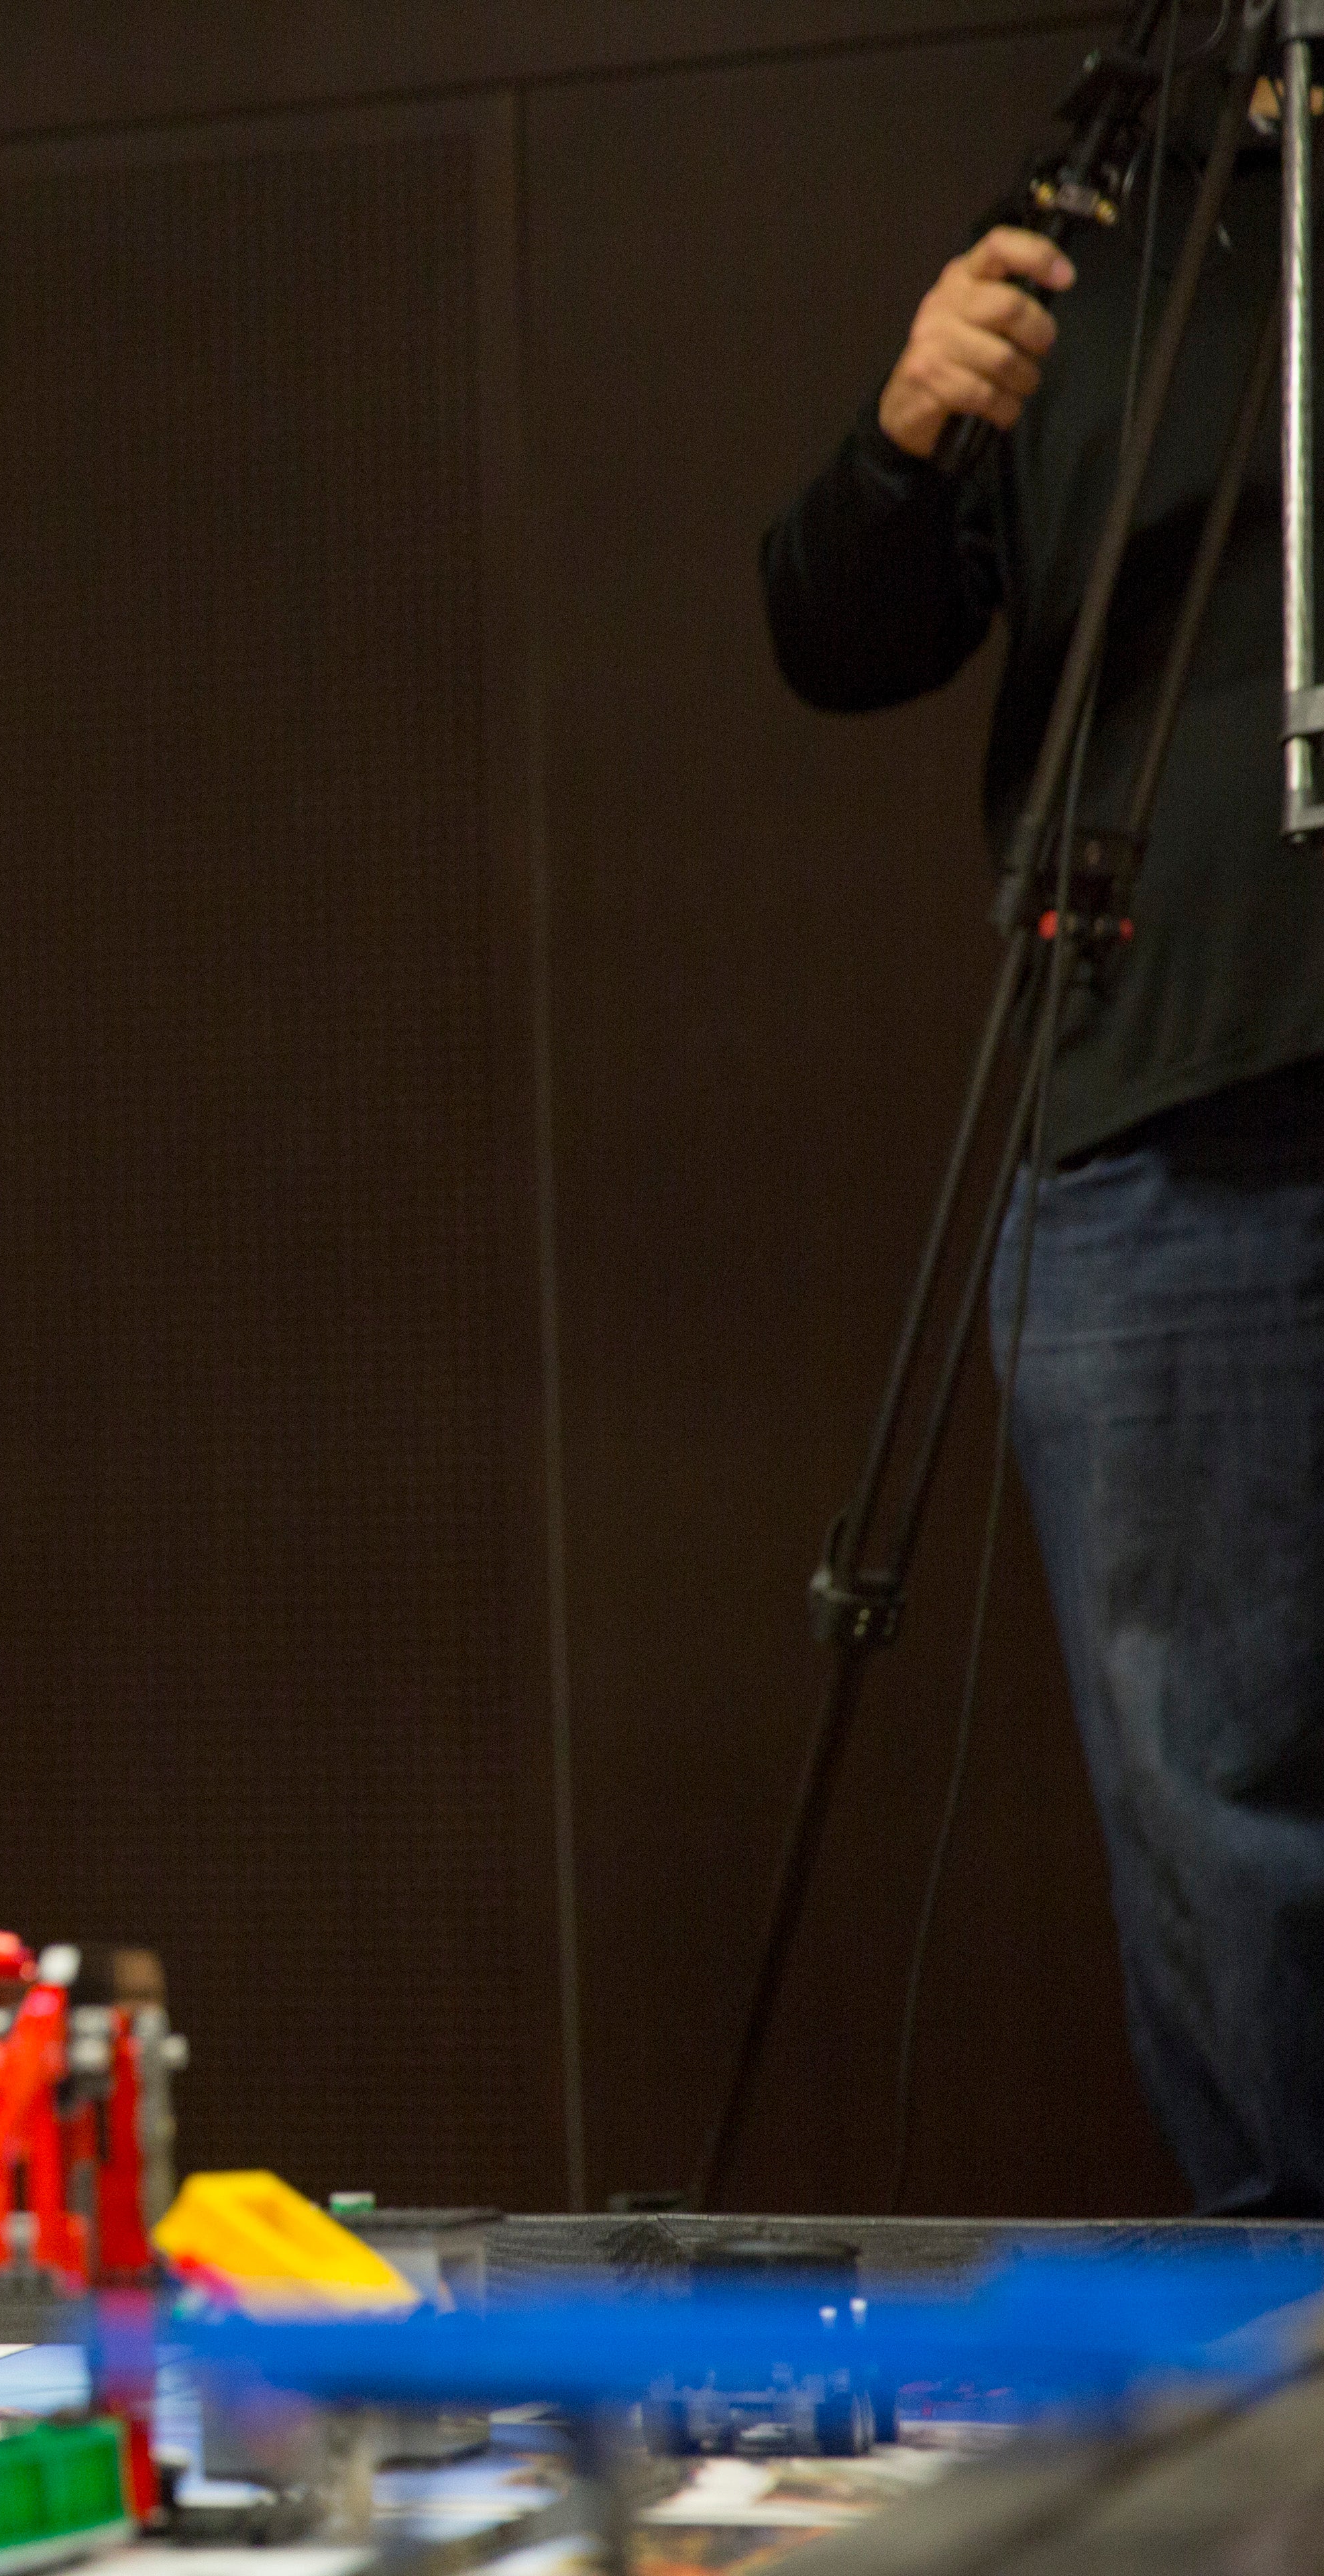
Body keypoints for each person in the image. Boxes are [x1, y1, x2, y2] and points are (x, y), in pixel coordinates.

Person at [761, 87, 1324, 2214]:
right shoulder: (1103, 203)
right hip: (1154, 1119)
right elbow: (834, 627)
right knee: (1217, 1821)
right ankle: (1294, 2386)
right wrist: (906, 435)